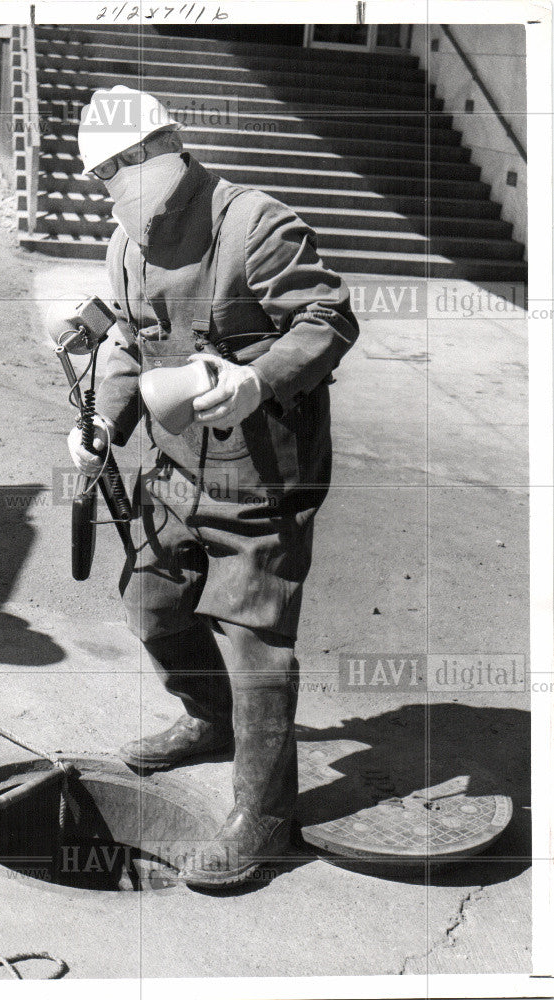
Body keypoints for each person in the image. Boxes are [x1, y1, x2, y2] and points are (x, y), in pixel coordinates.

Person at [67, 86, 359, 887]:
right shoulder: (126, 246)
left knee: (251, 639)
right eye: (99, 180)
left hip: (260, 472)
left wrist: (259, 381)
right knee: (151, 600)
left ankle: (264, 820)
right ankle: (207, 718)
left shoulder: (252, 222)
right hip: (172, 469)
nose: (107, 191)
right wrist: (101, 427)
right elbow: (126, 343)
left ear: (154, 153)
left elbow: (326, 319)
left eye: (112, 173)